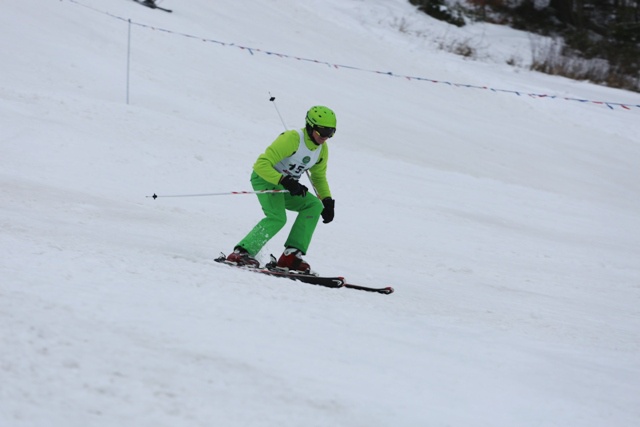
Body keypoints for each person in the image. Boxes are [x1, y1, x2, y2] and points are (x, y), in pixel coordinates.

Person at [226, 106, 337, 272]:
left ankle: (291, 256)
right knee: (278, 218)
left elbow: (318, 177)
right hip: (265, 179)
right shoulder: (292, 139)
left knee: (314, 204)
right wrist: (286, 181)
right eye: (323, 132)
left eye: (331, 133)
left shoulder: (322, 149)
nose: (326, 137)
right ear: (310, 126)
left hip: (287, 186)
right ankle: (241, 252)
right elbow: (261, 164)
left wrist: (327, 200)